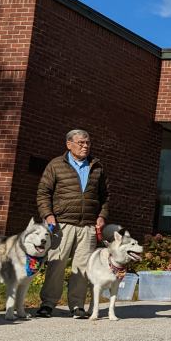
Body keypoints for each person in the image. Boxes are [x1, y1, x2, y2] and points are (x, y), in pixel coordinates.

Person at [36, 130, 110, 319]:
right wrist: (48, 215)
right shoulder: (56, 165)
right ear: (69, 144)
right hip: (62, 224)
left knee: (83, 268)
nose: (85, 146)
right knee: (56, 264)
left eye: (88, 143)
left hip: (87, 225)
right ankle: (48, 303)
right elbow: (43, 193)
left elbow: (105, 197)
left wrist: (102, 215)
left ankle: (77, 306)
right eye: (81, 143)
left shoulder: (97, 167)